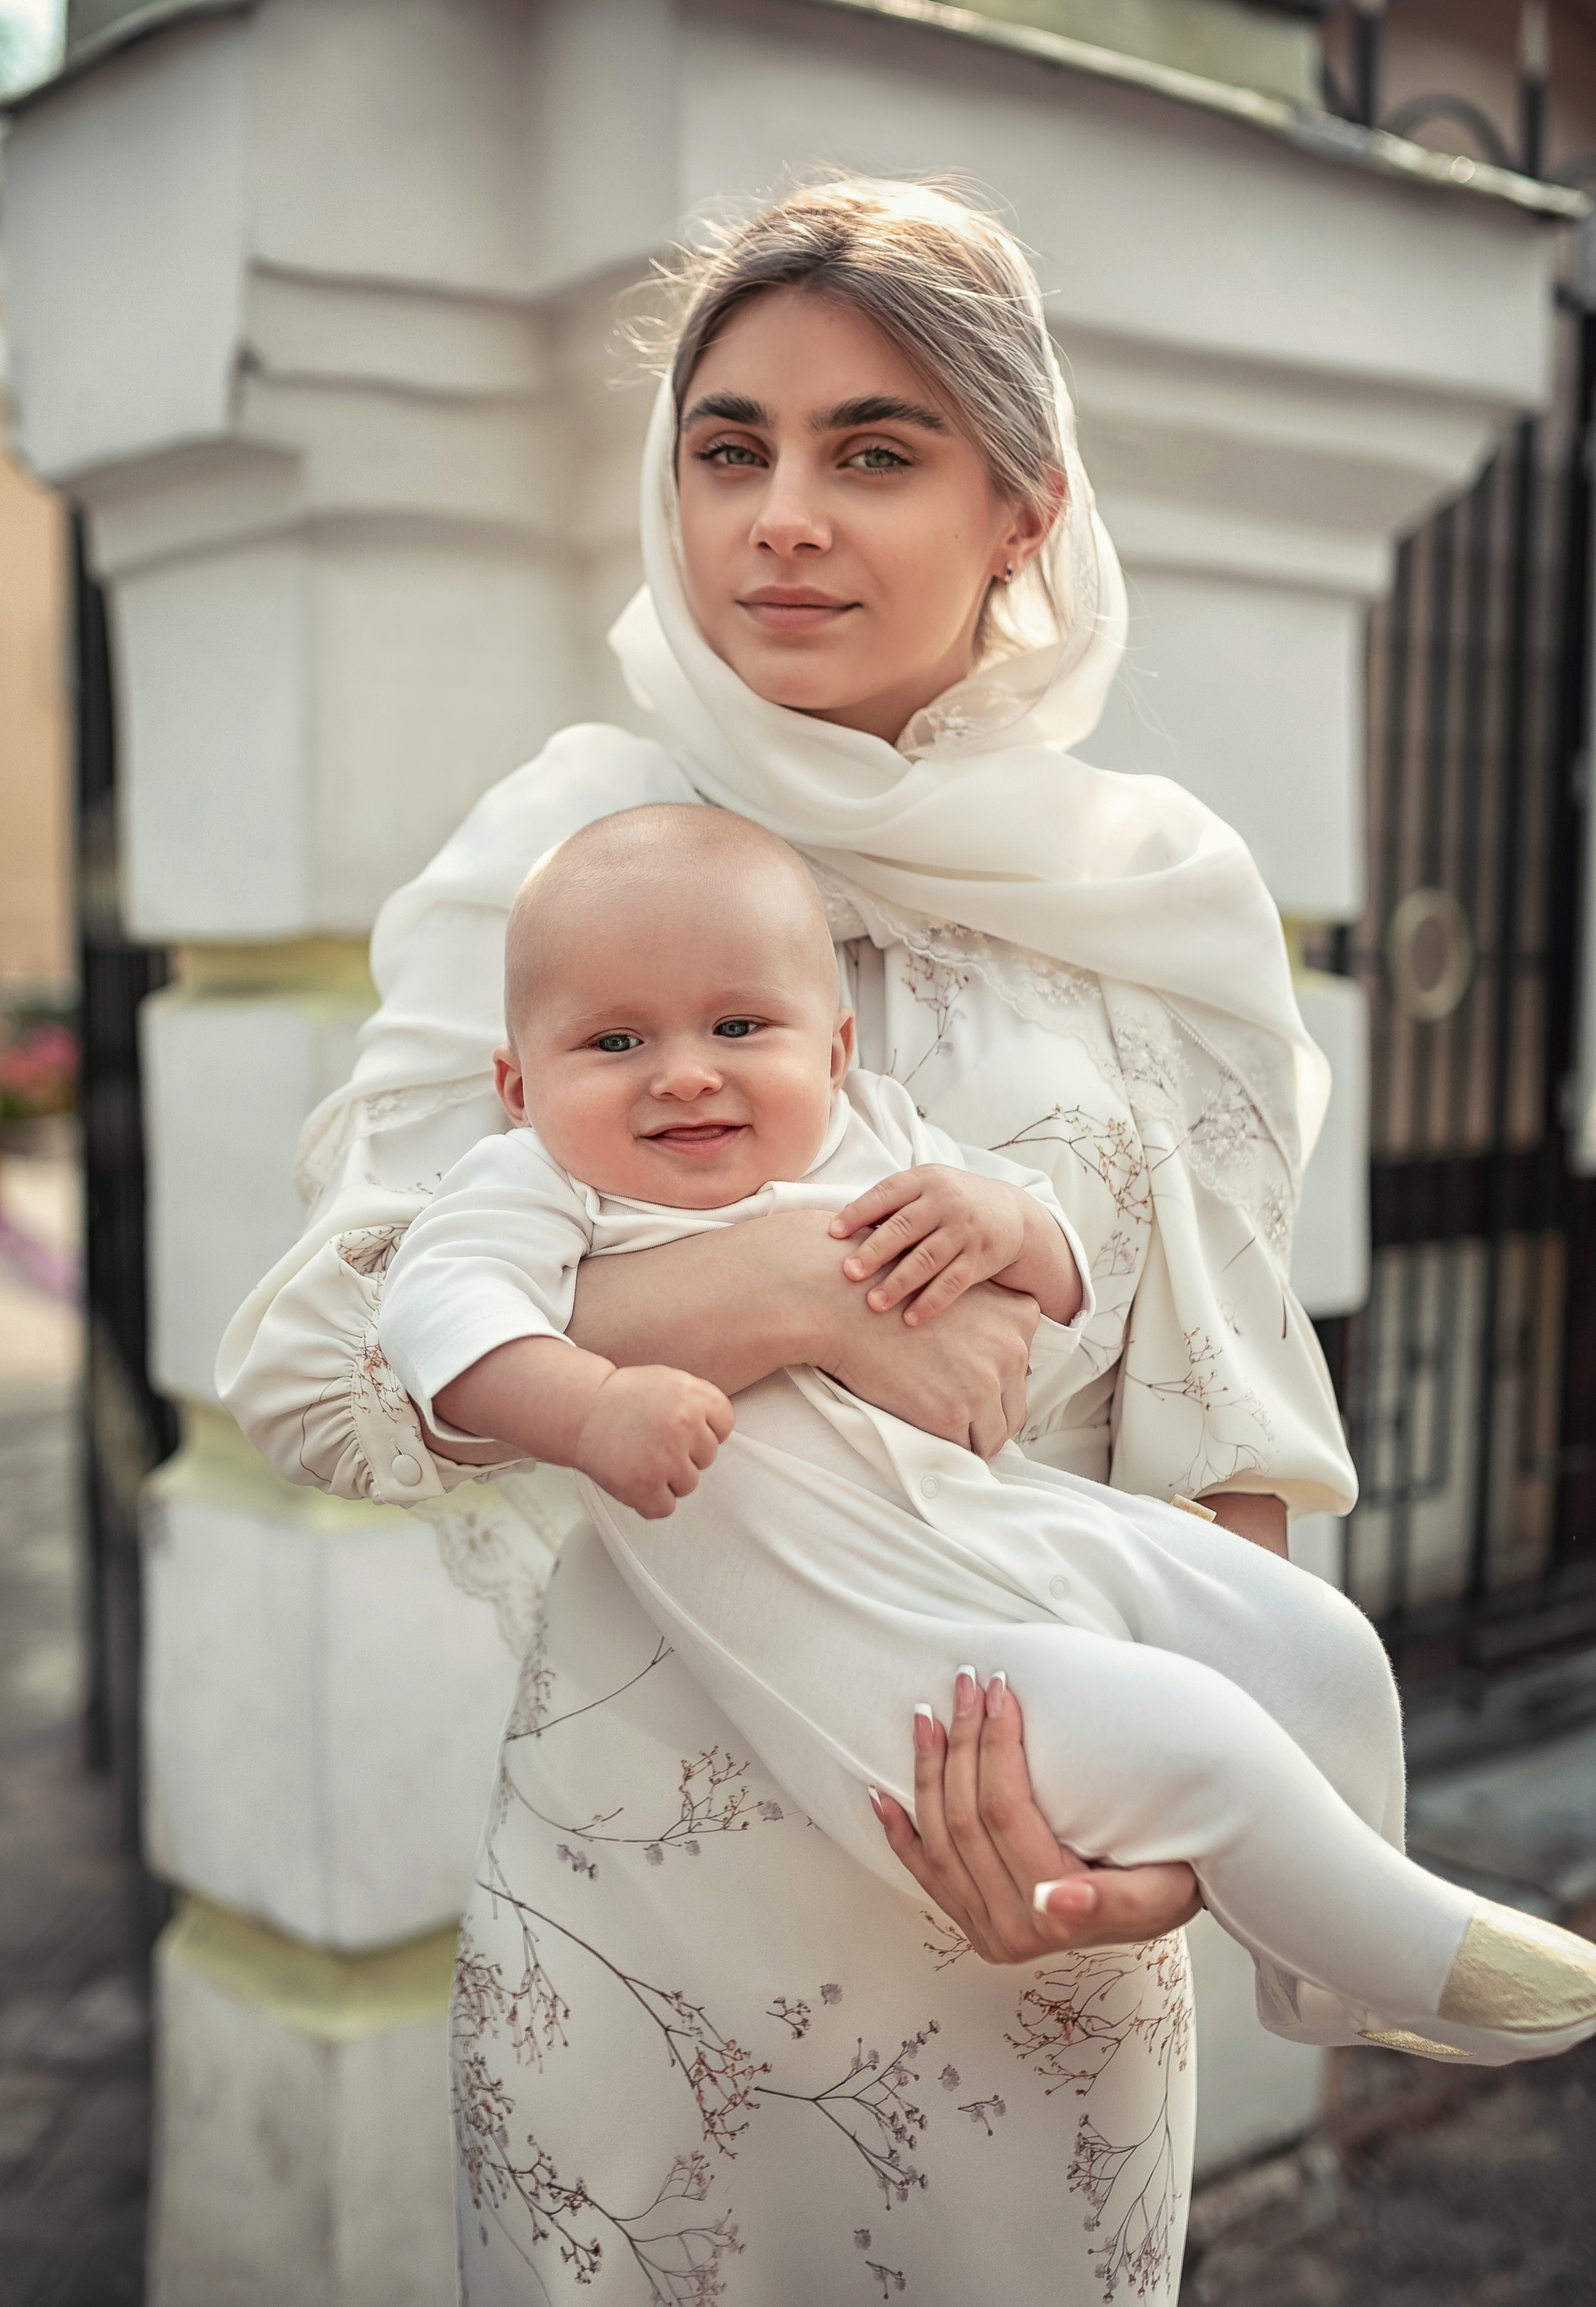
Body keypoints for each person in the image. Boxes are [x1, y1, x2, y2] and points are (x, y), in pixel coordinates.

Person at [220, 176, 1381, 2301]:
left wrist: (1166, 1880)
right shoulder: (562, 856)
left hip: (1023, 1897)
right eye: (729, 445)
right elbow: (321, 1370)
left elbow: (1229, 1450)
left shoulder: (1153, 903)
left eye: (874, 451)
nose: (779, 516)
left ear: (1023, 509)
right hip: (637, 1928)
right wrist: (782, 1292)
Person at [378, 802, 1596, 2079]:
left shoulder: (878, 1137)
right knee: (1190, 1738)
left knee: (1321, 1648)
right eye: (613, 1040)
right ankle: (1414, 1950)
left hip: (1009, 1528)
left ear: (834, 1046)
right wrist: (589, 1403)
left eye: (739, 1027)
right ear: (517, 1086)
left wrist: (1003, 1226)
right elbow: (436, 1319)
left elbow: (1069, 1289)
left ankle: (1327, 1974)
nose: (683, 1072)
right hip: (876, 1651)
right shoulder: (534, 1188)